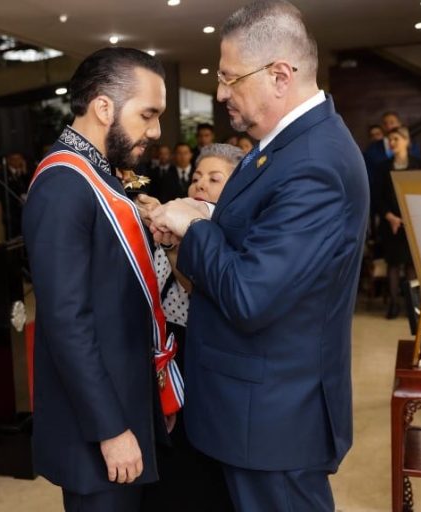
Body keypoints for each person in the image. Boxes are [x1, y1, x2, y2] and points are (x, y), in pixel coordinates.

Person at [148, 1, 368, 510]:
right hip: (252, 409)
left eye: (229, 78)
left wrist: (194, 226)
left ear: (279, 75)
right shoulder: (281, 148)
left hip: (273, 417)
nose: (221, 92)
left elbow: (251, 294)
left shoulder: (314, 164)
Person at [22, 47, 171, 512]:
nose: (156, 130)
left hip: (125, 398)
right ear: (104, 107)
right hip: (100, 426)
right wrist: (110, 428)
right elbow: (66, 322)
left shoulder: (97, 171)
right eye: (147, 114)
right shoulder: (63, 183)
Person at [138, 143, 243, 512]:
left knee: (193, 452)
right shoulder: (172, 218)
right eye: (197, 176)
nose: (200, 185)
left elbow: (197, 287)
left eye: (215, 179)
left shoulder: (227, 234)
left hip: (199, 349)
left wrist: (173, 246)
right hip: (165, 345)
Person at [374, 127, 421, 319]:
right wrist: (391, 217)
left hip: (414, 223)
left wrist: (413, 217)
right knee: (393, 265)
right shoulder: (382, 167)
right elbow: (377, 198)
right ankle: (394, 304)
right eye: (390, 140)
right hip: (391, 224)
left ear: (406, 140)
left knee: (412, 265)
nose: (392, 143)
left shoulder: (419, 164)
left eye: (396, 139)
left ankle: (414, 308)